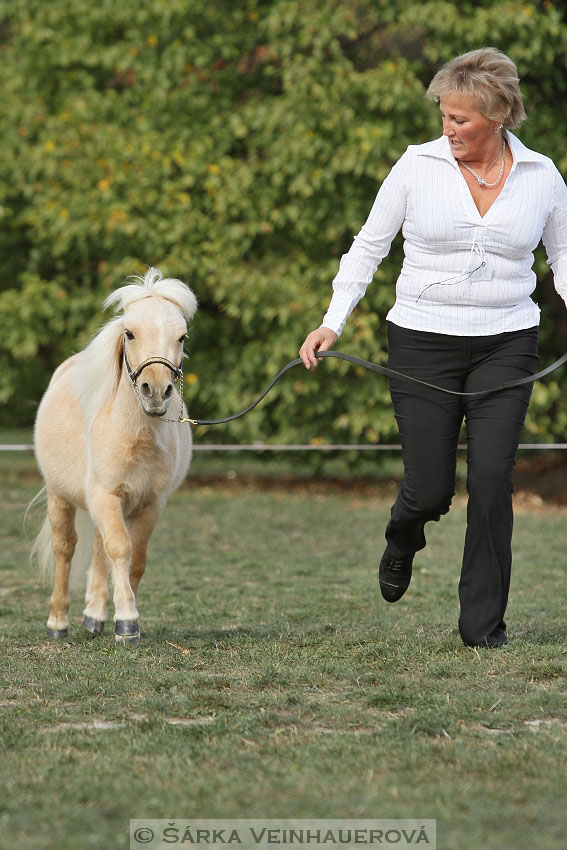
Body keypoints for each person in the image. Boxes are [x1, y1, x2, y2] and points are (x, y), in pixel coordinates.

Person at [299, 48, 567, 648]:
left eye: (461, 120)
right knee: (429, 488)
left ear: (499, 117)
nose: (448, 130)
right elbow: (368, 248)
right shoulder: (416, 167)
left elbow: (564, 257)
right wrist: (332, 322)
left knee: (493, 480)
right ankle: (403, 535)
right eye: (444, 117)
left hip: (507, 341)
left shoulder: (542, 176)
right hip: (423, 339)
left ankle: (482, 628)